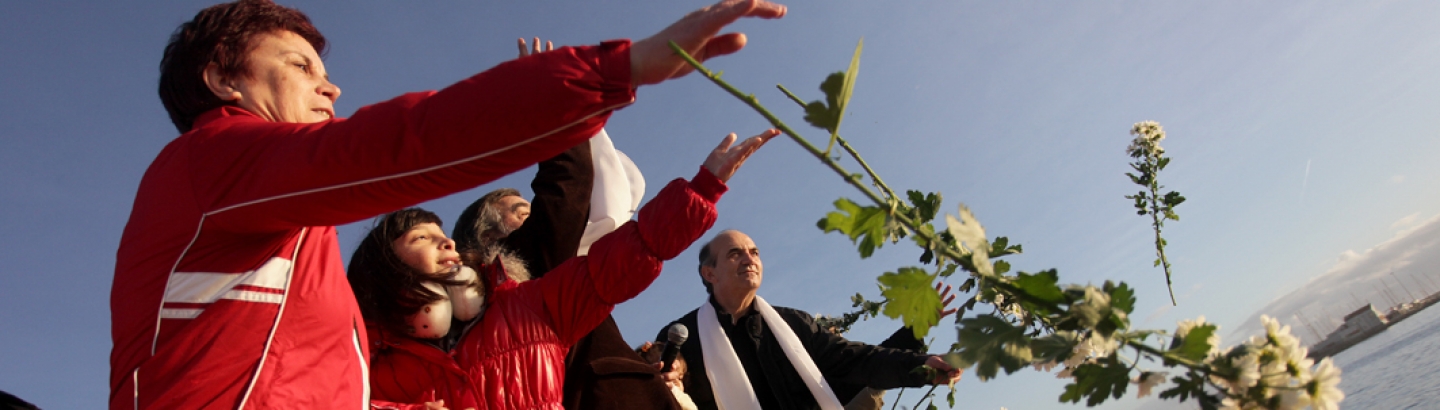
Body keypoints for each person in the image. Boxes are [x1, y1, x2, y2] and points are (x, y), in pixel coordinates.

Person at [110, 0, 787, 408]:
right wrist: (615, 70)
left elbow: (609, 267)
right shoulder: (209, 162)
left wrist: (699, 194)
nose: (332, 88)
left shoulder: (296, 238)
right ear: (222, 76)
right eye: (300, 67)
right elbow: (403, 144)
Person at [659, 230, 963, 410]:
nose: (750, 259)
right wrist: (663, 378)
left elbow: (855, 360)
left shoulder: (794, 324)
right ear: (709, 273)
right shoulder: (682, 338)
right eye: (735, 254)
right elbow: (656, 388)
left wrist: (919, 367)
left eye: (754, 252)